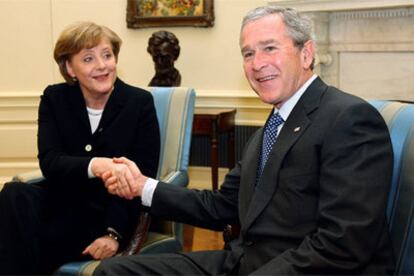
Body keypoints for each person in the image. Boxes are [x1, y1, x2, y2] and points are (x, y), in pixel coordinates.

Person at [95, 6, 395, 275]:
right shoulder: (276, 122)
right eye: (248, 53)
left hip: (302, 269)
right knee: (114, 271)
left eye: (269, 48)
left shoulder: (349, 119)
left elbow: (342, 244)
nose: (257, 63)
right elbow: (221, 206)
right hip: (244, 261)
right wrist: (142, 186)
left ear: (307, 53)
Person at [0, 22, 160, 274]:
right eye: (88, 58)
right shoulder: (55, 98)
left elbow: (143, 178)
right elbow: (50, 162)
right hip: (59, 203)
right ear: (69, 68)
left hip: (104, 215)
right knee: (14, 194)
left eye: (107, 55)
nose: (102, 65)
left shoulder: (139, 103)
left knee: (22, 240)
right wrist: (97, 165)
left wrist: (113, 234)